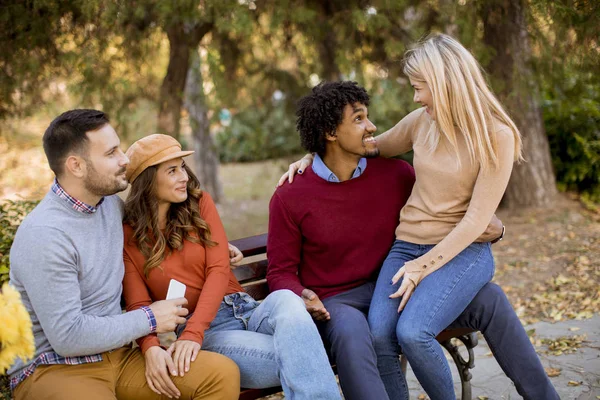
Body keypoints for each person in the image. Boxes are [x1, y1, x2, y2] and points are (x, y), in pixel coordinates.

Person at [273, 80, 558, 400]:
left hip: (399, 286)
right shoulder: (291, 194)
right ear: (330, 133)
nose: (371, 126)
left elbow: (448, 216)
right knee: (357, 329)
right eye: (358, 119)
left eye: (367, 116)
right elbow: (279, 272)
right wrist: (301, 295)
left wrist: (495, 228)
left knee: (489, 299)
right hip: (339, 301)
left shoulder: (397, 175)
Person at [8, 109, 240, 400]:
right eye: (111, 153)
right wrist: (150, 320)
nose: (125, 159)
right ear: (76, 166)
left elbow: (153, 239)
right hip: (54, 369)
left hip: (118, 357)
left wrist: (215, 249)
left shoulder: (109, 207)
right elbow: (68, 337)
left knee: (220, 375)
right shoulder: (45, 235)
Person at [121, 134, 341, 400]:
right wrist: (161, 343)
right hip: (210, 332)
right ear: (147, 181)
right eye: (172, 170)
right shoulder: (129, 238)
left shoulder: (198, 203)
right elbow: (138, 305)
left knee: (285, 299)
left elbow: (218, 269)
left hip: (251, 309)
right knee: (306, 354)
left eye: (182, 167)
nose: (184, 177)